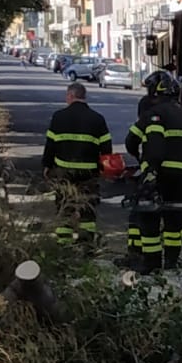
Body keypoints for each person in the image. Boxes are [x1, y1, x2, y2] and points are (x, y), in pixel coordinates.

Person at [123, 71, 182, 275]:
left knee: (147, 216)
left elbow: (134, 141)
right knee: (177, 215)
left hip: (161, 172)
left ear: (155, 91)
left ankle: (152, 263)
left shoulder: (154, 115)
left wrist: (148, 168)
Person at [42, 81, 112, 248]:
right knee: (88, 209)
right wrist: (103, 169)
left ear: (70, 96)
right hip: (88, 173)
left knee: (64, 206)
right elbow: (106, 149)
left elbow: (50, 146)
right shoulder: (97, 119)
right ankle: (86, 244)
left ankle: (64, 244)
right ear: (84, 97)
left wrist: (47, 166)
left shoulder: (58, 117)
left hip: (64, 172)